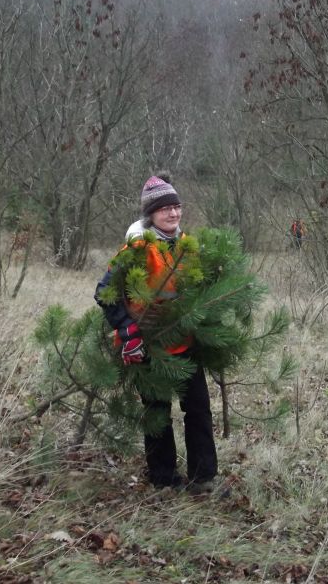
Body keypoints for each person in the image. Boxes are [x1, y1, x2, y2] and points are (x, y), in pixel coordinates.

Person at [95, 174, 218, 492]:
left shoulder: (186, 245)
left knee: (199, 409)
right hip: (150, 346)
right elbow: (105, 291)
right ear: (151, 213)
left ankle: (202, 478)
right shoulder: (137, 245)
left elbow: (196, 288)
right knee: (157, 413)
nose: (173, 214)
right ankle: (163, 479)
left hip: (185, 344)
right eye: (165, 209)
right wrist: (128, 328)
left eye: (176, 207)